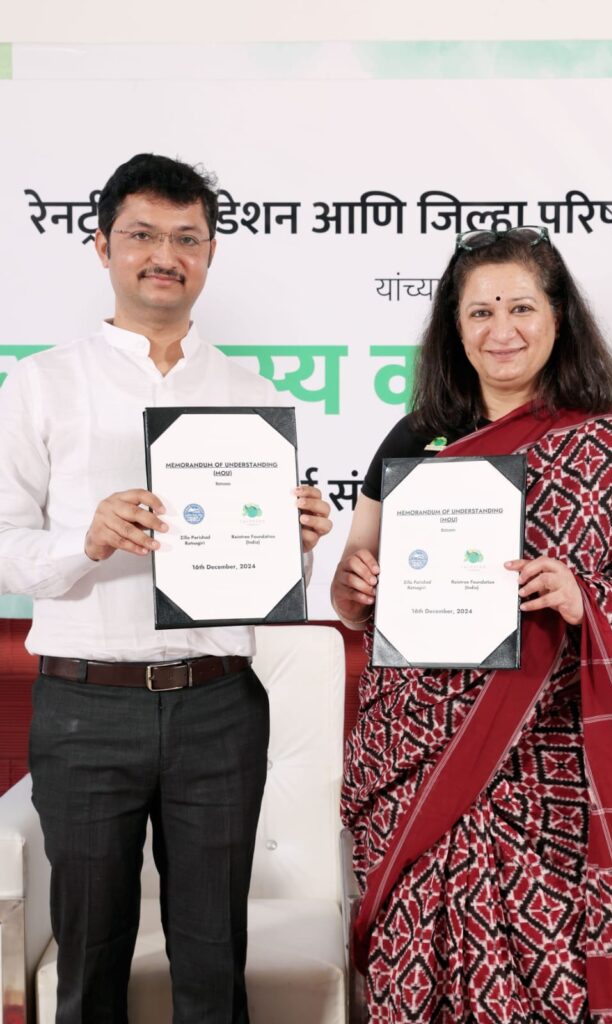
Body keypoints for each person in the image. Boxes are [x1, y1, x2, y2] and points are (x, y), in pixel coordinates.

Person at [0, 153, 332, 1024]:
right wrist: (87, 539)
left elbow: (265, 586)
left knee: (215, 965)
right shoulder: (42, 383)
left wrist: (296, 546)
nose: (165, 255)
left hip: (219, 705)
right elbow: (5, 549)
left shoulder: (253, 394)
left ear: (210, 254)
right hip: (85, 709)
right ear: (102, 244)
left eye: (187, 238)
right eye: (143, 234)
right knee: (90, 961)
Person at [332, 227, 612, 1023]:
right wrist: (352, 589)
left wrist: (586, 599)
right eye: (480, 311)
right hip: (415, 755)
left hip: (554, 773)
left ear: (558, 318)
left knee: (552, 984)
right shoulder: (413, 438)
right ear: (454, 328)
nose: (502, 330)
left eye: (521, 307)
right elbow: (356, 581)